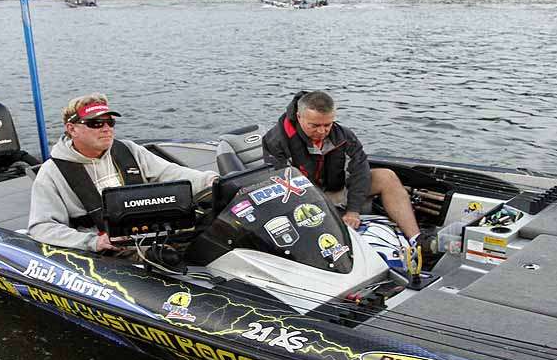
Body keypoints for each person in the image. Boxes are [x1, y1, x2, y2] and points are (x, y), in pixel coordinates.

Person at [28, 93, 218, 253]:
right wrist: (93, 242)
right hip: (109, 254)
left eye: (110, 122)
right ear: (72, 129)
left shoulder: (128, 150)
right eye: (96, 123)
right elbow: (42, 227)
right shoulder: (52, 172)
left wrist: (212, 181)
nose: (106, 129)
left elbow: (171, 173)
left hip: (154, 237)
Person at [262, 90, 427, 248]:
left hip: (335, 190)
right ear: (299, 117)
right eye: (314, 125)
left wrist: (353, 210)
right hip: (302, 198)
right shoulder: (276, 141)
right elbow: (279, 183)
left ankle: (416, 239)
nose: (322, 131)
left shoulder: (344, 136)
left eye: (327, 124)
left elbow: (360, 173)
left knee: (386, 176)